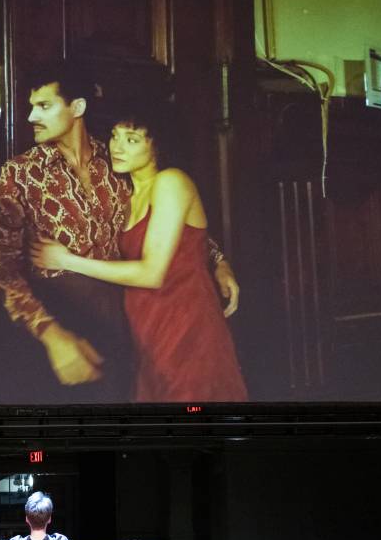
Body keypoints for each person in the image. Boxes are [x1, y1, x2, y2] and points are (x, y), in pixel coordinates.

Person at [0, 61, 240, 403]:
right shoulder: (20, 173)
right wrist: (49, 333)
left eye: (43, 106)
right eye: (31, 106)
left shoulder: (118, 162)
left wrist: (217, 260)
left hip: (128, 324)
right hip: (60, 322)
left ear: (77, 107)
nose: (31, 116)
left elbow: (168, 225)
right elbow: (0, 264)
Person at [32, 103, 248, 402]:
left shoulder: (171, 182)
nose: (117, 147)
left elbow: (151, 273)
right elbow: (187, 239)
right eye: (114, 136)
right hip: (146, 331)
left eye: (132, 139)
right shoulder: (126, 195)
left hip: (186, 326)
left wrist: (66, 260)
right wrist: (219, 260)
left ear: (157, 146)